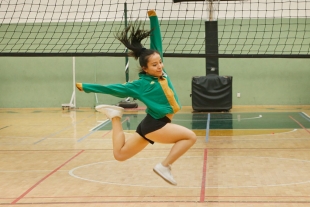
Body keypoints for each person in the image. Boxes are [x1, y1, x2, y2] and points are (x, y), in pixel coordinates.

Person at [76, 10, 196, 185]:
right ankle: (164, 166)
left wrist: (153, 18)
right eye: (154, 65)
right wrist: (86, 87)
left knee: (120, 154)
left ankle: (115, 117)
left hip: (150, 122)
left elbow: (157, 43)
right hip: (157, 125)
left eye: (160, 62)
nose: (160, 66)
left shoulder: (163, 73)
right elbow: (113, 89)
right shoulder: (141, 84)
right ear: (145, 69)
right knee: (190, 137)